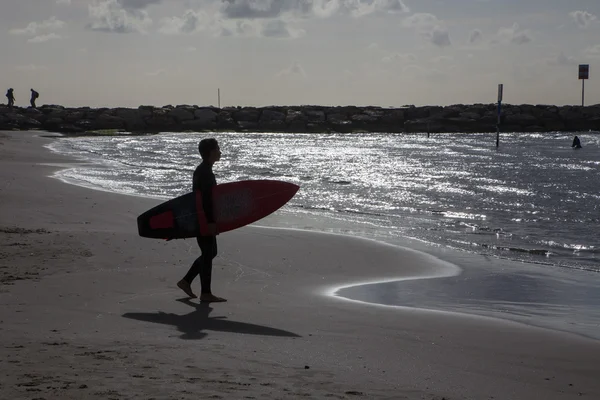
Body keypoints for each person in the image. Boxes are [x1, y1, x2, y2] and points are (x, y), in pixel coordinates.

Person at [177, 138, 226, 303]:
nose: (220, 151)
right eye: (218, 148)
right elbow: (205, 200)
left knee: (210, 252)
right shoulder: (204, 172)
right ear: (211, 151)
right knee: (208, 252)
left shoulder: (204, 170)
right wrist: (211, 222)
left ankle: (186, 281)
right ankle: (205, 293)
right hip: (203, 219)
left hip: (201, 218)